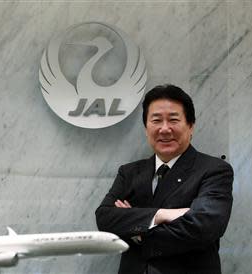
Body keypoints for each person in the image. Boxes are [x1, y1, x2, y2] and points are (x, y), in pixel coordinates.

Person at [95, 84, 233, 274]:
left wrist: (137, 231)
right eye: (156, 120)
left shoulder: (214, 170)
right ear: (146, 128)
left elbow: (204, 227)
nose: (165, 129)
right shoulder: (129, 172)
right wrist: (159, 215)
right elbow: (105, 219)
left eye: (174, 120)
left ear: (191, 125)